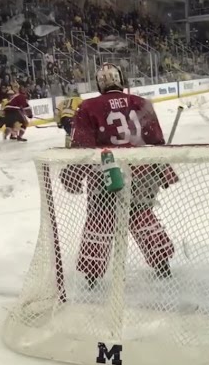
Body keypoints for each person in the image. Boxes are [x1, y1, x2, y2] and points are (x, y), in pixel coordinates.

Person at [64, 63, 178, 285]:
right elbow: (155, 141)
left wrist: (74, 176)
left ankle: (92, 274)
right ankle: (162, 262)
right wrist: (165, 170)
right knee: (141, 215)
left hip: (106, 173)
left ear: (100, 83)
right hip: (142, 172)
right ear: (121, 79)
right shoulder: (141, 103)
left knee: (100, 220)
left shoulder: (88, 107)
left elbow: (83, 150)